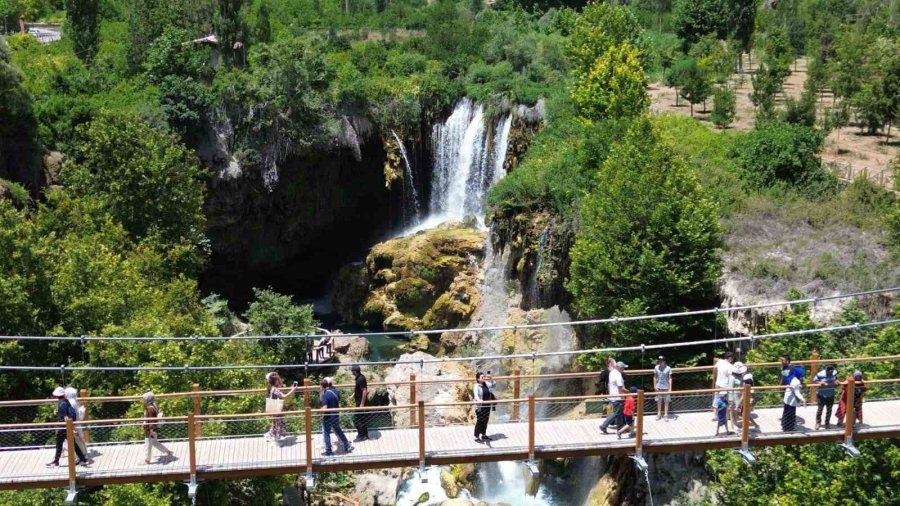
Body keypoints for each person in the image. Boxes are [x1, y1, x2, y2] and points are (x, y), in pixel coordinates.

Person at [46, 387, 90, 467]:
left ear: (57, 396)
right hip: (67, 427)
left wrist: (71, 429)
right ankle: (83, 459)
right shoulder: (66, 401)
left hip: (63, 427)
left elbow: (66, 417)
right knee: (73, 444)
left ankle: (56, 462)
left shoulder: (61, 404)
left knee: (59, 444)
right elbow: (66, 414)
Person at [321, 377, 352, 456]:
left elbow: (324, 407)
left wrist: (318, 412)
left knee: (326, 432)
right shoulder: (336, 391)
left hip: (328, 417)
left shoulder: (326, 394)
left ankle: (328, 451)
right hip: (335, 415)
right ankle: (347, 445)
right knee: (338, 430)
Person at [264, 372, 297, 444]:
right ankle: (276, 441)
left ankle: (269, 435)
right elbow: (284, 396)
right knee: (277, 424)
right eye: (277, 380)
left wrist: (276, 375)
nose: (278, 381)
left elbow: (281, 384)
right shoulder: (275, 389)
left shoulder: (273, 388)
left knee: (275, 423)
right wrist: (293, 389)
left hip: (275, 408)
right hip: (277, 410)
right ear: (275, 381)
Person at [141, 392, 174, 465]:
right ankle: (168, 452)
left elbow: (152, 420)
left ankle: (147, 460)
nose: (143, 401)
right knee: (154, 443)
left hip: (150, 430)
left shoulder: (150, 408)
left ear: (148, 399)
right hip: (152, 429)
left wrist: (151, 430)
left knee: (148, 445)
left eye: (144, 399)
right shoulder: (153, 406)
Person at [600, 361, 627, 434]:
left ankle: (620, 427)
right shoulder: (618, 375)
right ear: (619, 367)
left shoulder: (612, 373)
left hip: (612, 395)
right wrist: (622, 396)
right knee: (616, 412)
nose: (623, 369)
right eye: (623, 368)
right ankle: (604, 425)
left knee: (619, 412)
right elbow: (620, 387)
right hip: (617, 396)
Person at [733, 363, 759, 430]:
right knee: (744, 413)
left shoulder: (746, 379)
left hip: (748, 399)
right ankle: (755, 425)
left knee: (744, 413)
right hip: (751, 398)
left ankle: (746, 427)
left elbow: (745, 394)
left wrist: (738, 404)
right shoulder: (749, 376)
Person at [64, 387, 88, 457]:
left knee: (76, 440)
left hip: (73, 424)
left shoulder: (70, 403)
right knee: (79, 439)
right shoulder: (75, 402)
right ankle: (82, 454)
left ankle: (80, 456)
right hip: (76, 423)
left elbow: (70, 415)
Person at [473, 371, 496, 443]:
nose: (484, 378)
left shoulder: (486, 383)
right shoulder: (476, 386)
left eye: (484, 377)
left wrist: (491, 378)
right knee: (480, 421)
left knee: (485, 420)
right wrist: (479, 400)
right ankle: (476, 437)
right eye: (482, 377)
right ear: (478, 379)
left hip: (487, 405)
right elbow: (476, 395)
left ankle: (483, 434)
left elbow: (493, 385)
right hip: (480, 407)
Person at [782, 366, 806, 432]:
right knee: (791, 415)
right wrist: (803, 399)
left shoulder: (791, 378)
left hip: (787, 398)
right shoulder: (797, 381)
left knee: (786, 413)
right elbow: (797, 392)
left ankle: (784, 426)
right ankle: (789, 429)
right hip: (792, 400)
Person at [814, 365, 838, 430]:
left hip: (831, 394)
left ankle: (827, 423)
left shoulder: (834, 373)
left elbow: (836, 379)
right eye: (829, 372)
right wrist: (821, 382)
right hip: (822, 395)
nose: (831, 373)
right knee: (820, 410)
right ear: (826, 371)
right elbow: (814, 380)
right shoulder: (820, 374)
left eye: (831, 372)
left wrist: (836, 382)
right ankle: (818, 422)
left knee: (829, 410)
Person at [713, 351, 734, 416]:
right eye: (732, 358)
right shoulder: (730, 366)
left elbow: (715, 368)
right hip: (725, 385)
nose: (732, 360)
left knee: (716, 398)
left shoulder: (719, 361)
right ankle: (726, 415)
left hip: (717, 383)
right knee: (725, 400)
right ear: (730, 358)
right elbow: (731, 376)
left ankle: (715, 415)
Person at [351, 364, 369, 442]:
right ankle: (365, 435)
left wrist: (362, 404)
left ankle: (361, 436)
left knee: (357, 419)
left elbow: (364, 391)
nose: (351, 371)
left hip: (360, 402)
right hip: (358, 401)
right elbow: (358, 389)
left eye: (352, 370)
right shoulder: (358, 377)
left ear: (355, 371)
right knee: (362, 419)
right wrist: (353, 395)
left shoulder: (360, 379)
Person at [653, 356, 672, 421]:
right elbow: (655, 377)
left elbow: (670, 378)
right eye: (659, 360)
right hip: (658, 387)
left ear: (664, 361)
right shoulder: (656, 367)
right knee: (659, 401)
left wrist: (670, 388)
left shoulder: (668, 368)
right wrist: (654, 386)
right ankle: (659, 414)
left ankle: (665, 415)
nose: (660, 362)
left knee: (666, 401)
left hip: (666, 387)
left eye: (662, 360)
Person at [727, 362, 744, 427]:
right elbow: (730, 389)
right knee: (735, 409)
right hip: (734, 395)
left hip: (739, 395)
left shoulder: (740, 376)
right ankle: (735, 423)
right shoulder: (732, 377)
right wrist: (730, 399)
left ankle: (735, 421)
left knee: (738, 409)